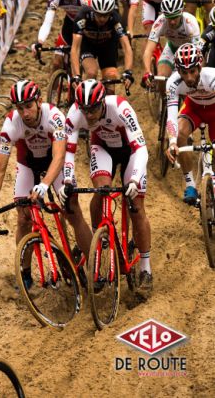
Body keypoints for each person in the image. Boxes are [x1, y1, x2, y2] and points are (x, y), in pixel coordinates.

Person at [0, 80, 93, 282]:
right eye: (20, 108)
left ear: (39, 101)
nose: (24, 113)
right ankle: (25, 271)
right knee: (24, 218)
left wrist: (44, 184)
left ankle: (94, 267)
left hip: (53, 163)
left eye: (28, 106)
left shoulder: (54, 116)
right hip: (28, 164)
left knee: (72, 210)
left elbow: (59, 157)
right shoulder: (10, 124)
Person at [61, 79, 152, 297]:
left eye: (93, 109)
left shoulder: (120, 108)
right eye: (84, 110)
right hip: (101, 147)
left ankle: (146, 270)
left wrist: (135, 179)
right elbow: (69, 153)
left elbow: (141, 149)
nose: (89, 115)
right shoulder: (74, 115)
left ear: (102, 102)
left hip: (131, 151)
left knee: (136, 206)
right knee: (102, 191)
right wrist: (67, 180)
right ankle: (97, 238)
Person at [166, 43, 215, 204]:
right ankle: (190, 185)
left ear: (200, 67)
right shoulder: (173, 83)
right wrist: (172, 142)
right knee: (180, 134)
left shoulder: (212, 77)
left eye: (192, 71)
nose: (189, 78)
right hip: (193, 108)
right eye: (184, 72)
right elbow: (171, 116)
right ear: (178, 70)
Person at [71, 0, 133, 94]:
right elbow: (75, 48)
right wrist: (76, 75)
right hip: (88, 46)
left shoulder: (115, 19)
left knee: (111, 78)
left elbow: (127, 47)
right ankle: (85, 100)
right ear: (93, 10)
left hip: (107, 47)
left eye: (106, 15)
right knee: (91, 72)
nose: (102, 19)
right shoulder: (83, 16)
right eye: (99, 14)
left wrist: (128, 72)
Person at [33, 0, 92, 74]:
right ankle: (53, 91)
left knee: (77, 69)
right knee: (56, 63)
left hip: (86, 27)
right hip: (69, 25)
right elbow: (47, 22)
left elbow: (93, 20)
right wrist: (40, 42)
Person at [142, 0, 200, 90]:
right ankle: (164, 102)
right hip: (172, 48)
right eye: (169, 17)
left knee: (190, 82)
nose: (172, 22)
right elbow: (148, 50)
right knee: (161, 76)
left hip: (190, 51)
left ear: (181, 13)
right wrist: (147, 71)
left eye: (175, 17)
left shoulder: (191, 23)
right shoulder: (159, 22)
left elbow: (198, 51)